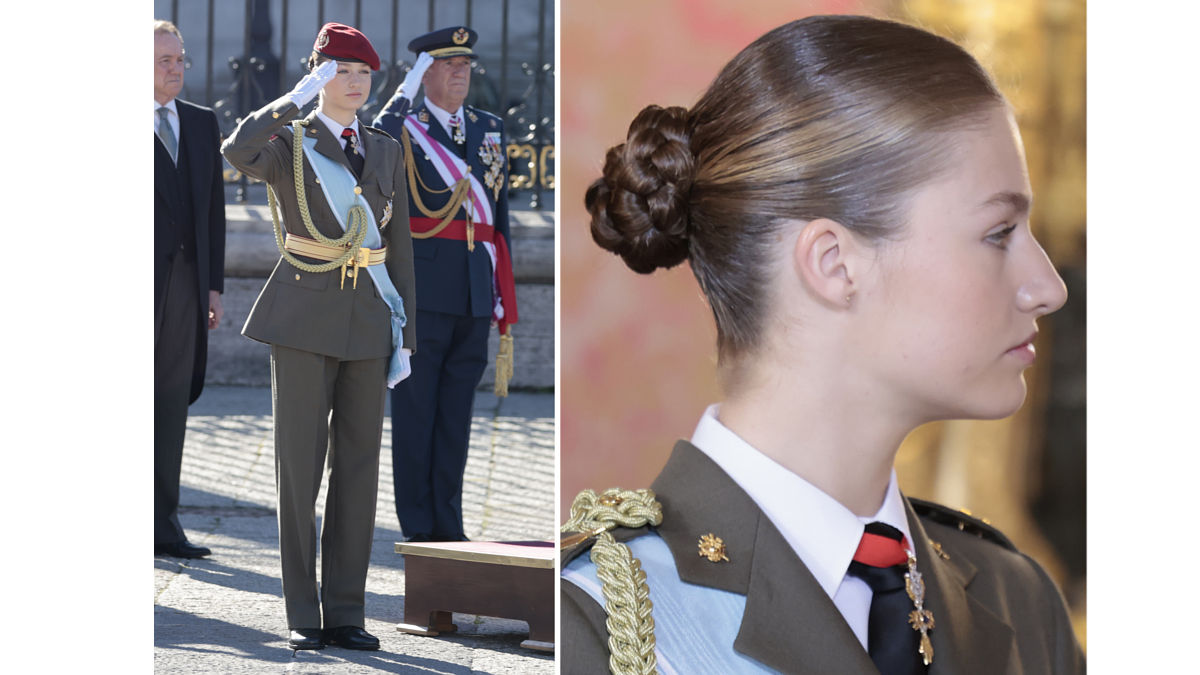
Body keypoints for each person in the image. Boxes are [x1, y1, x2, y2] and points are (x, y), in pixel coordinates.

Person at [560, 15, 1084, 675]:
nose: (1046, 287)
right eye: (999, 232)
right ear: (835, 264)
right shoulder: (593, 627)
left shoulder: (1018, 599)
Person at [221, 22, 416, 652]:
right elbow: (236, 150)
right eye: (341, 72)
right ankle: (304, 611)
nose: (355, 84)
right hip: (303, 319)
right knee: (300, 470)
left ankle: (347, 612)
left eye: (363, 74)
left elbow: (399, 246)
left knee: (358, 469)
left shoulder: (385, 147)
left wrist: (405, 330)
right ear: (320, 76)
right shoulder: (290, 142)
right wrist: (292, 98)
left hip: (369, 322)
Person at [373, 26, 518, 543]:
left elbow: (498, 218)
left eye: (465, 64)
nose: (461, 73)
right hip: (424, 291)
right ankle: (418, 528)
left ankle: (448, 526)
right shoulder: (405, 128)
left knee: (456, 418)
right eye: (447, 64)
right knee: (416, 414)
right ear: (424, 72)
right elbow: (376, 141)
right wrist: (404, 87)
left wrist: (501, 289)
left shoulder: (489, 127)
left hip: (476, 289)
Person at [154, 19, 225, 560]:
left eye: (180, 60)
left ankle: (163, 522)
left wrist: (214, 287)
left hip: (184, 286)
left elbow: (214, 214)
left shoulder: (202, 123)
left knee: (171, 401)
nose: (175, 69)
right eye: (164, 61)